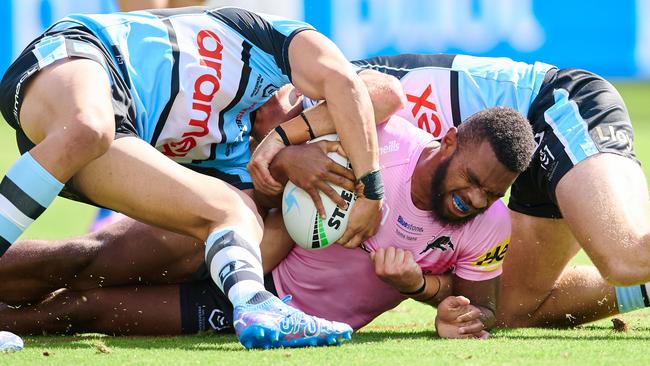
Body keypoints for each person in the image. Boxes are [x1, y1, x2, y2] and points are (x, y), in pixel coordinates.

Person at [0, 6, 396, 349]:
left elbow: (265, 241)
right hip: (85, 55)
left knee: (233, 211)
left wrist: (285, 167)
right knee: (89, 126)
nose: (295, 109)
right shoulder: (271, 41)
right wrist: (370, 192)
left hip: (115, 139)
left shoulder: (237, 160)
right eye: (303, 107)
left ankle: (258, 309)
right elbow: (358, 85)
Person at [0, 109, 537, 339]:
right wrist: (286, 159)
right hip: (238, 230)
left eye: (492, 192)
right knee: (79, 260)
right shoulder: (379, 138)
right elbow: (273, 137)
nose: (475, 198)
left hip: (270, 313)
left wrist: (423, 290)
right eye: (470, 179)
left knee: (80, 311)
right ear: (446, 141)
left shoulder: (488, 226)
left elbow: (482, 307)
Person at [253, 53, 650, 327]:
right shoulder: (317, 117)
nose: (251, 136)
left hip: (555, 105)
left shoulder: (336, 85)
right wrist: (286, 157)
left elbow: (379, 96)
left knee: (624, 256)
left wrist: (280, 146)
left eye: (252, 123)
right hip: (506, 171)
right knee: (510, 307)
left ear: (286, 93)